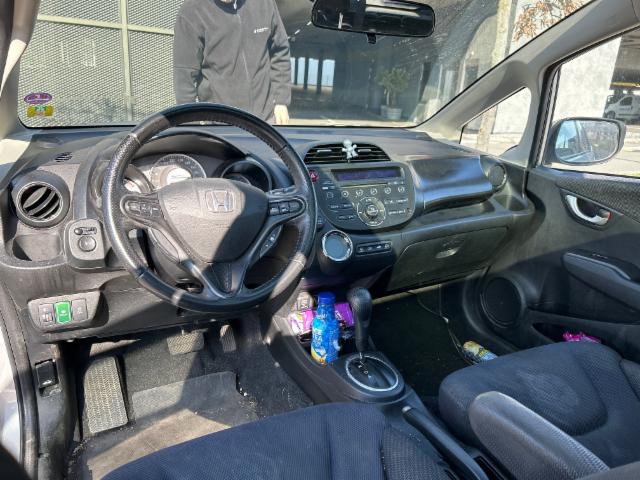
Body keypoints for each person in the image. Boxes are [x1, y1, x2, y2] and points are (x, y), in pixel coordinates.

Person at [173, 0, 291, 124]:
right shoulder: (191, 11)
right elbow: (184, 77)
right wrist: (192, 127)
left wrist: (281, 101)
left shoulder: (264, 3)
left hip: (265, 121)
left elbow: (280, 51)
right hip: (220, 125)